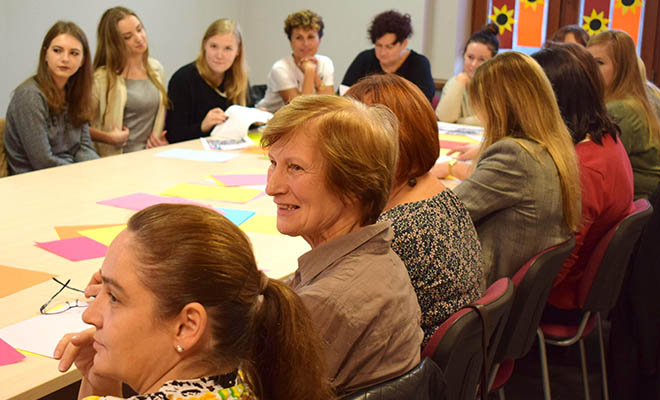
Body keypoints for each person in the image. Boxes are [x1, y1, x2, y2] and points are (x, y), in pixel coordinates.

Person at [54, 204, 334, 400]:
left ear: (187, 326)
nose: (90, 315)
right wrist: (100, 379)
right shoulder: (253, 382)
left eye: (114, 297)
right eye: (100, 290)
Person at [261, 94, 423, 395]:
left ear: (354, 185)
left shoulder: (326, 302)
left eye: (295, 167)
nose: (271, 187)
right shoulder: (376, 258)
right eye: (273, 163)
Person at [346, 74, 483, 347]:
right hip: (453, 359)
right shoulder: (438, 195)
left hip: (409, 365)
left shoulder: (394, 231)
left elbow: (345, 323)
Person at [435, 52, 581, 288]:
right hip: (512, 288)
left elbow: (442, 214)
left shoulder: (514, 156)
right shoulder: (550, 148)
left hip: (485, 290)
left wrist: (417, 182)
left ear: (496, 106)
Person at [531, 46, 634, 313]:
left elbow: (561, 257)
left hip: (559, 297)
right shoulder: (606, 139)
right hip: (579, 286)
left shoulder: (585, 168)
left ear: (553, 100)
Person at [4, 21, 98, 175]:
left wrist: (98, 169)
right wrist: (80, 174)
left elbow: (83, 147)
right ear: (45, 54)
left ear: (83, 60)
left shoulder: (75, 92)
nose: (65, 59)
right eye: (57, 51)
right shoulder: (30, 96)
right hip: (34, 180)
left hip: (70, 174)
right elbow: (42, 161)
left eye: (74, 53)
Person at [587, 30, 660, 199]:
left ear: (621, 69)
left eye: (599, 63)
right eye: (588, 62)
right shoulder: (634, 98)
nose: (590, 70)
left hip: (638, 203)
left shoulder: (620, 108)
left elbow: (600, 172)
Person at [90, 6, 169, 156]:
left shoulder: (156, 70)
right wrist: (107, 138)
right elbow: (77, 129)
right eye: (127, 37)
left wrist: (163, 142)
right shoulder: (101, 79)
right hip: (116, 160)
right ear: (114, 43)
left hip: (152, 158)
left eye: (139, 29)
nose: (139, 38)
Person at [166, 19, 252, 143]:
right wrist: (202, 126)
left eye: (227, 48)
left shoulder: (240, 79)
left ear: (238, 51)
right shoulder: (183, 79)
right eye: (214, 46)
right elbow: (173, 135)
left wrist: (256, 119)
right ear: (204, 45)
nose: (219, 55)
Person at [341, 10, 435, 102]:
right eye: (379, 45)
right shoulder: (365, 59)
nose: (383, 52)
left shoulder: (419, 64)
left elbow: (424, 101)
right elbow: (344, 93)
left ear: (404, 44)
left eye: (389, 47)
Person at [256, 10, 334, 113]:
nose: (305, 43)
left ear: (319, 40)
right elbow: (300, 111)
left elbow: (331, 106)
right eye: (299, 38)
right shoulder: (280, 68)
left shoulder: (326, 62)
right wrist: (309, 72)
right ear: (291, 41)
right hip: (267, 118)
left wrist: (315, 77)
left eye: (310, 37)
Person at [436, 23, 498, 125]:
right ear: (464, 56)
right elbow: (444, 118)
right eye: (470, 57)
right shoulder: (455, 82)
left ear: (493, 62)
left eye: (482, 59)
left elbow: (489, 121)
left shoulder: (498, 86)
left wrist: (457, 122)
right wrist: (459, 83)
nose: (474, 64)